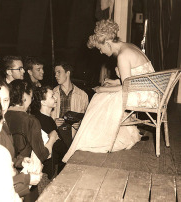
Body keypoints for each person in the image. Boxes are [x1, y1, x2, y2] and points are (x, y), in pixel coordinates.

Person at [63, 19, 155, 162]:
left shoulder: (123, 56)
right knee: (106, 92)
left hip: (144, 94)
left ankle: (98, 138)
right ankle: (112, 134)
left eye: (100, 48)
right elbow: (133, 79)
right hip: (148, 90)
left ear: (107, 43)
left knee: (101, 97)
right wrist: (113, 83)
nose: (101, 52)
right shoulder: (128, 46)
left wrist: (101, 89)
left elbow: (127, 86)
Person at [0, 79, 42, 197]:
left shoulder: (2, 123)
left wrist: (20, 161)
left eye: (5, 100)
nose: (2, 106)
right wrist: (26, 179)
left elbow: (7, 155)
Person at [32, 86, 68, 178]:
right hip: (46, 171)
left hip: (52, 166)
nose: (55, 98)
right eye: (52, 96)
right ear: (43, 102)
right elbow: (57, 146)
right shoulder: (40, 121)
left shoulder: (47, 119)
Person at [51, 61, 89, 139]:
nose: (56, 75)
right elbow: (45, 118)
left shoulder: (82, 95)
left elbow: (88, 118)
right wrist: (53, 123)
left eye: (59, 72)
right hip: (57, 138)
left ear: (67, 73)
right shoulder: (51, 94)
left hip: (75, 137)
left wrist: (80, 124)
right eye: (55, 73)